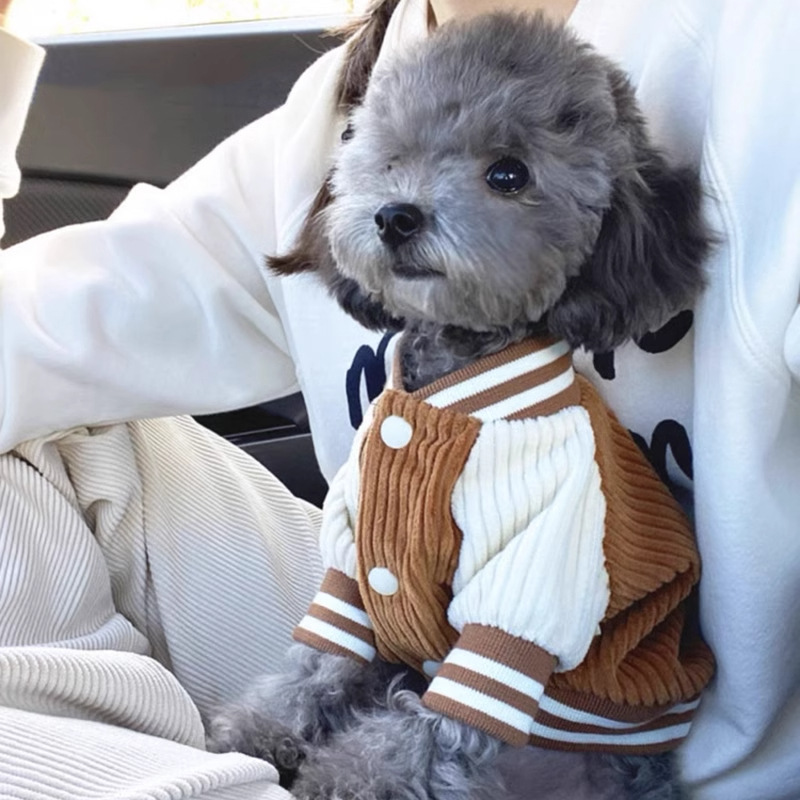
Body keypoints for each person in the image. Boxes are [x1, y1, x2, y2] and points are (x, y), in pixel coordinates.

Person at [0, 0, 798, 798]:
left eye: (504, 176)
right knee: (45, 447)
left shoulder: (765, 53)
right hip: (413, 632)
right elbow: (51, 318)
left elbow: (524, 618)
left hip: (607, 734)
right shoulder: (338, 106)